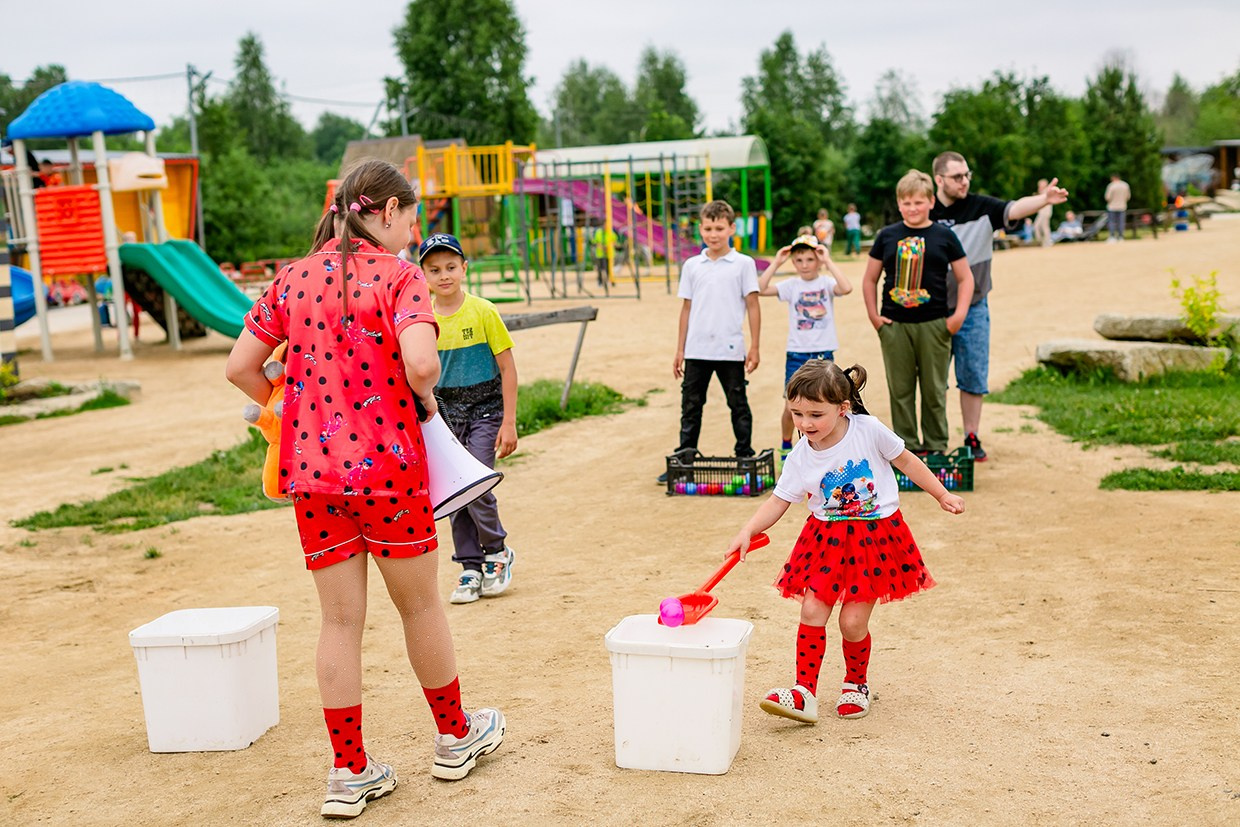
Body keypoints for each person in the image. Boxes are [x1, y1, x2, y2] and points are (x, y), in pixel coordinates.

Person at [225, 159, 504, 819]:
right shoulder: (400, 276)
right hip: (388, 468)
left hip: (312, 474)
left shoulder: (290, 278)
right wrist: (420, 396)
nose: (413, 228)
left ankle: (349, 770)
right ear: (381, 210)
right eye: (410, 215)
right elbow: (421, 361)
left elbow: (240, 365)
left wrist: (288, 408)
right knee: (421, 607)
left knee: (339, 620)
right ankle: (454, 735)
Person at [726, 360, 964, 723]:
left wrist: (940, 494)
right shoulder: (801, 454)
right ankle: (804, 691)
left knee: (852, 623)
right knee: (811, 611)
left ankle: (856, 683)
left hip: (874, 538)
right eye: (797, 414)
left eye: (815, 414)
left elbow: (907, 461)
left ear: (843, 407)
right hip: (825, 541)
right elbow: (779, 500)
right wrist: (748, 530)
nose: (805, 424)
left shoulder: (868, 430)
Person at [930, 151, 1068, 461]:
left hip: (974, 305)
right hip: (933, 310)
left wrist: (1043, 199)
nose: (964, 181)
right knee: (933, 379)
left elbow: (1014, 208)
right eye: (956, 177)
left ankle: (971, 436)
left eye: (967, 174)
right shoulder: (925, 209)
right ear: (939, 180)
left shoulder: (981, 207)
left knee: (973, 374)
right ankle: (933, 438)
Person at [420, 232, 518, 605]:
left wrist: (508, 421)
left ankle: (497, 551)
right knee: (453, 490)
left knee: (476, 482)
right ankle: (470, 566)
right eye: (434, 269)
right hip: (445, 417)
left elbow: (508, 368)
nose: (443, 275)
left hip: (486, 411)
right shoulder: (423, 320)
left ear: (464, 268)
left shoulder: (484, 311)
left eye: (450, 267)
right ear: (424, 275)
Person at [862, 169, 974, 455]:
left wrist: (958, 316)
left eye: (919, 202)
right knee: (900, 391)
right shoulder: (887, 236)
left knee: (934, 390)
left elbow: (965, 278)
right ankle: (907, 449)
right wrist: (875, 318)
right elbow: (870, 279)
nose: (913, 208)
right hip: (894, 325)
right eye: (907, 203)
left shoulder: (944, 236)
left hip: (934, 323)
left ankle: (936, 447)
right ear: (899, 204)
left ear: (931, 202)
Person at [659, 199, 760, 483]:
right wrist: (679, 349)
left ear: (731, 228)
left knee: (738, 404)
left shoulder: (743, 264)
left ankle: (744, 456)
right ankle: (686, 457)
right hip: (697, 349)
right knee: (690, 405)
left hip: (730, 348)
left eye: (719, 228)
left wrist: (755, 346)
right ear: (700, 229)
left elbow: (753, 305)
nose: (713, 234)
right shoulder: (692, 265)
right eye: (707, 228)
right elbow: (686, 308)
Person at [757, 233, 852, 462]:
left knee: (826, 402)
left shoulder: (826, 283)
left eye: (810, 259)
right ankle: (786, 447)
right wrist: (777, 262)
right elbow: (759, 288)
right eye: (799, 260)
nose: (804, 265)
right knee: (792, 404)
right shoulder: (792, 285)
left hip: (823, 353)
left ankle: (826, 447)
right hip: (797, 353)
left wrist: (828, 260)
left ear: (818, 260)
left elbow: (846, 287)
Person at [1105, 174, 1131, 242]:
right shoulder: (1125, 185)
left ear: (1113, 178)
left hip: (1112, 207)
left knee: (1111, 222)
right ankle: (1121, 236)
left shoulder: (1111, 185)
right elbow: (1128, 196)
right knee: (1121, 222)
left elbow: (1107, 197)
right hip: (1122, 206)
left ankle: (1112, 236)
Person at [592, 221, 617, 286]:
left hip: (609, 253)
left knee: (609, 268)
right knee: (600, 268)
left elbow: (614, 241)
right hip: (600, 253)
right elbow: (596, 242)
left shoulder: (611, 232)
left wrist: (609, 247)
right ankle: (600, 281)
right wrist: (602, 247)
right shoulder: (599, 232)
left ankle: (609, 280)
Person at [1032, 179, 1053, 247]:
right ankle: (1041, 242)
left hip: (1046, 213)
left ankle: (1047, 243)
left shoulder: (1047, 190)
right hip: (1041, 213)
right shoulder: (1041, 191)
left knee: (1045, 228)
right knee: (1036, 227)